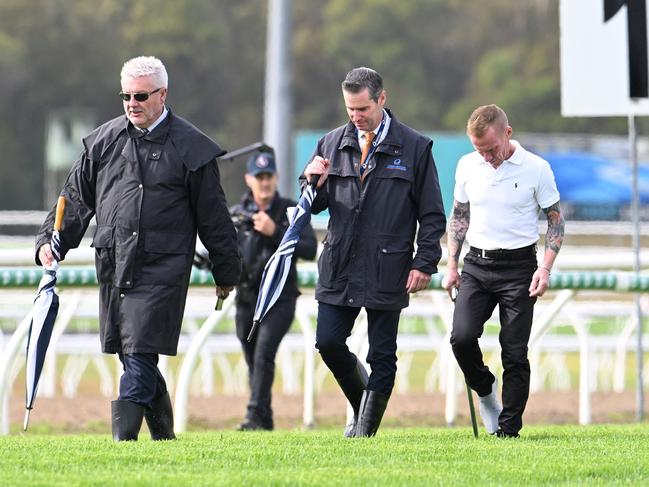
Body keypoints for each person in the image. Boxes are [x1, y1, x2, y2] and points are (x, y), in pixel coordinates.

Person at [35, 56, 241, 441]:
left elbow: (214, 217)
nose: (132, 103)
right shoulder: (102, 141)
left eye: (141, 95)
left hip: (163, 267)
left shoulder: (192, 147)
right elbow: (75, 199)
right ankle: (164, 439)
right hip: (114, 261)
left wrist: (226, 271)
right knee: (133, 353)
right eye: (126, 96)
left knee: (142, 350)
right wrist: (52, 241)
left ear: (162, 95)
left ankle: (122, 444)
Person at [303, 67, 446, 437]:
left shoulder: (415, 147)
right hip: (340, 265)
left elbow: (431, 215)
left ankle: (364, 432)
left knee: (382, 356)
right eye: (350, 110)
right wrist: (310, 180)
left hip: (389, 266)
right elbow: (315, 205)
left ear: (382, 99)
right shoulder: (330, 143)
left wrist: (424, 262)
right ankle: (362, 404)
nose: (355, 117)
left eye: (362, 109)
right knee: (329, 342)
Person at [442, 104, 565, 438]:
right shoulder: (468, 165)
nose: (487, 158)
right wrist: (452, 264)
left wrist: (545, 268)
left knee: (514, 351)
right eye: (479, 150)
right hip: (477, 266)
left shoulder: (537, 169)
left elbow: (555, 219)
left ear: (507, 134)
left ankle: (508, 430)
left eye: (492, 150)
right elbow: (459, 215)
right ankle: (485, 390)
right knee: (462, 338)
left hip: (520, 267)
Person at [230, 150, 317, 431]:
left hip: (280, 298)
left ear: (277, 178)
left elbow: (309, 248)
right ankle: (264, 418)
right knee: (252, 357)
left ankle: (254, 415)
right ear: (248, 179)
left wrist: (276, 232)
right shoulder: (237, 213)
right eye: (259, 177)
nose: (264, 183)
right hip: (246, 298)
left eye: (268, 177)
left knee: (264, 353)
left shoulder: (292, 210)